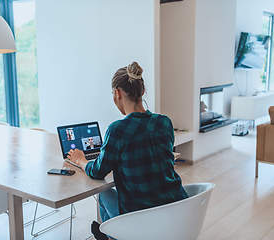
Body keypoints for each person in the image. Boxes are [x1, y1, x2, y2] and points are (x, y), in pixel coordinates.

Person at [68, 62, 188, 240]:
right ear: (143, 91)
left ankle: (111, 234)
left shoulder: (117, 129)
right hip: (175, 210)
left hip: (141, 220)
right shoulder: (164, 122)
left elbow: (97, 171)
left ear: (117, 93)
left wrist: (80, 160)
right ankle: (105, 233)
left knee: (102, 191)